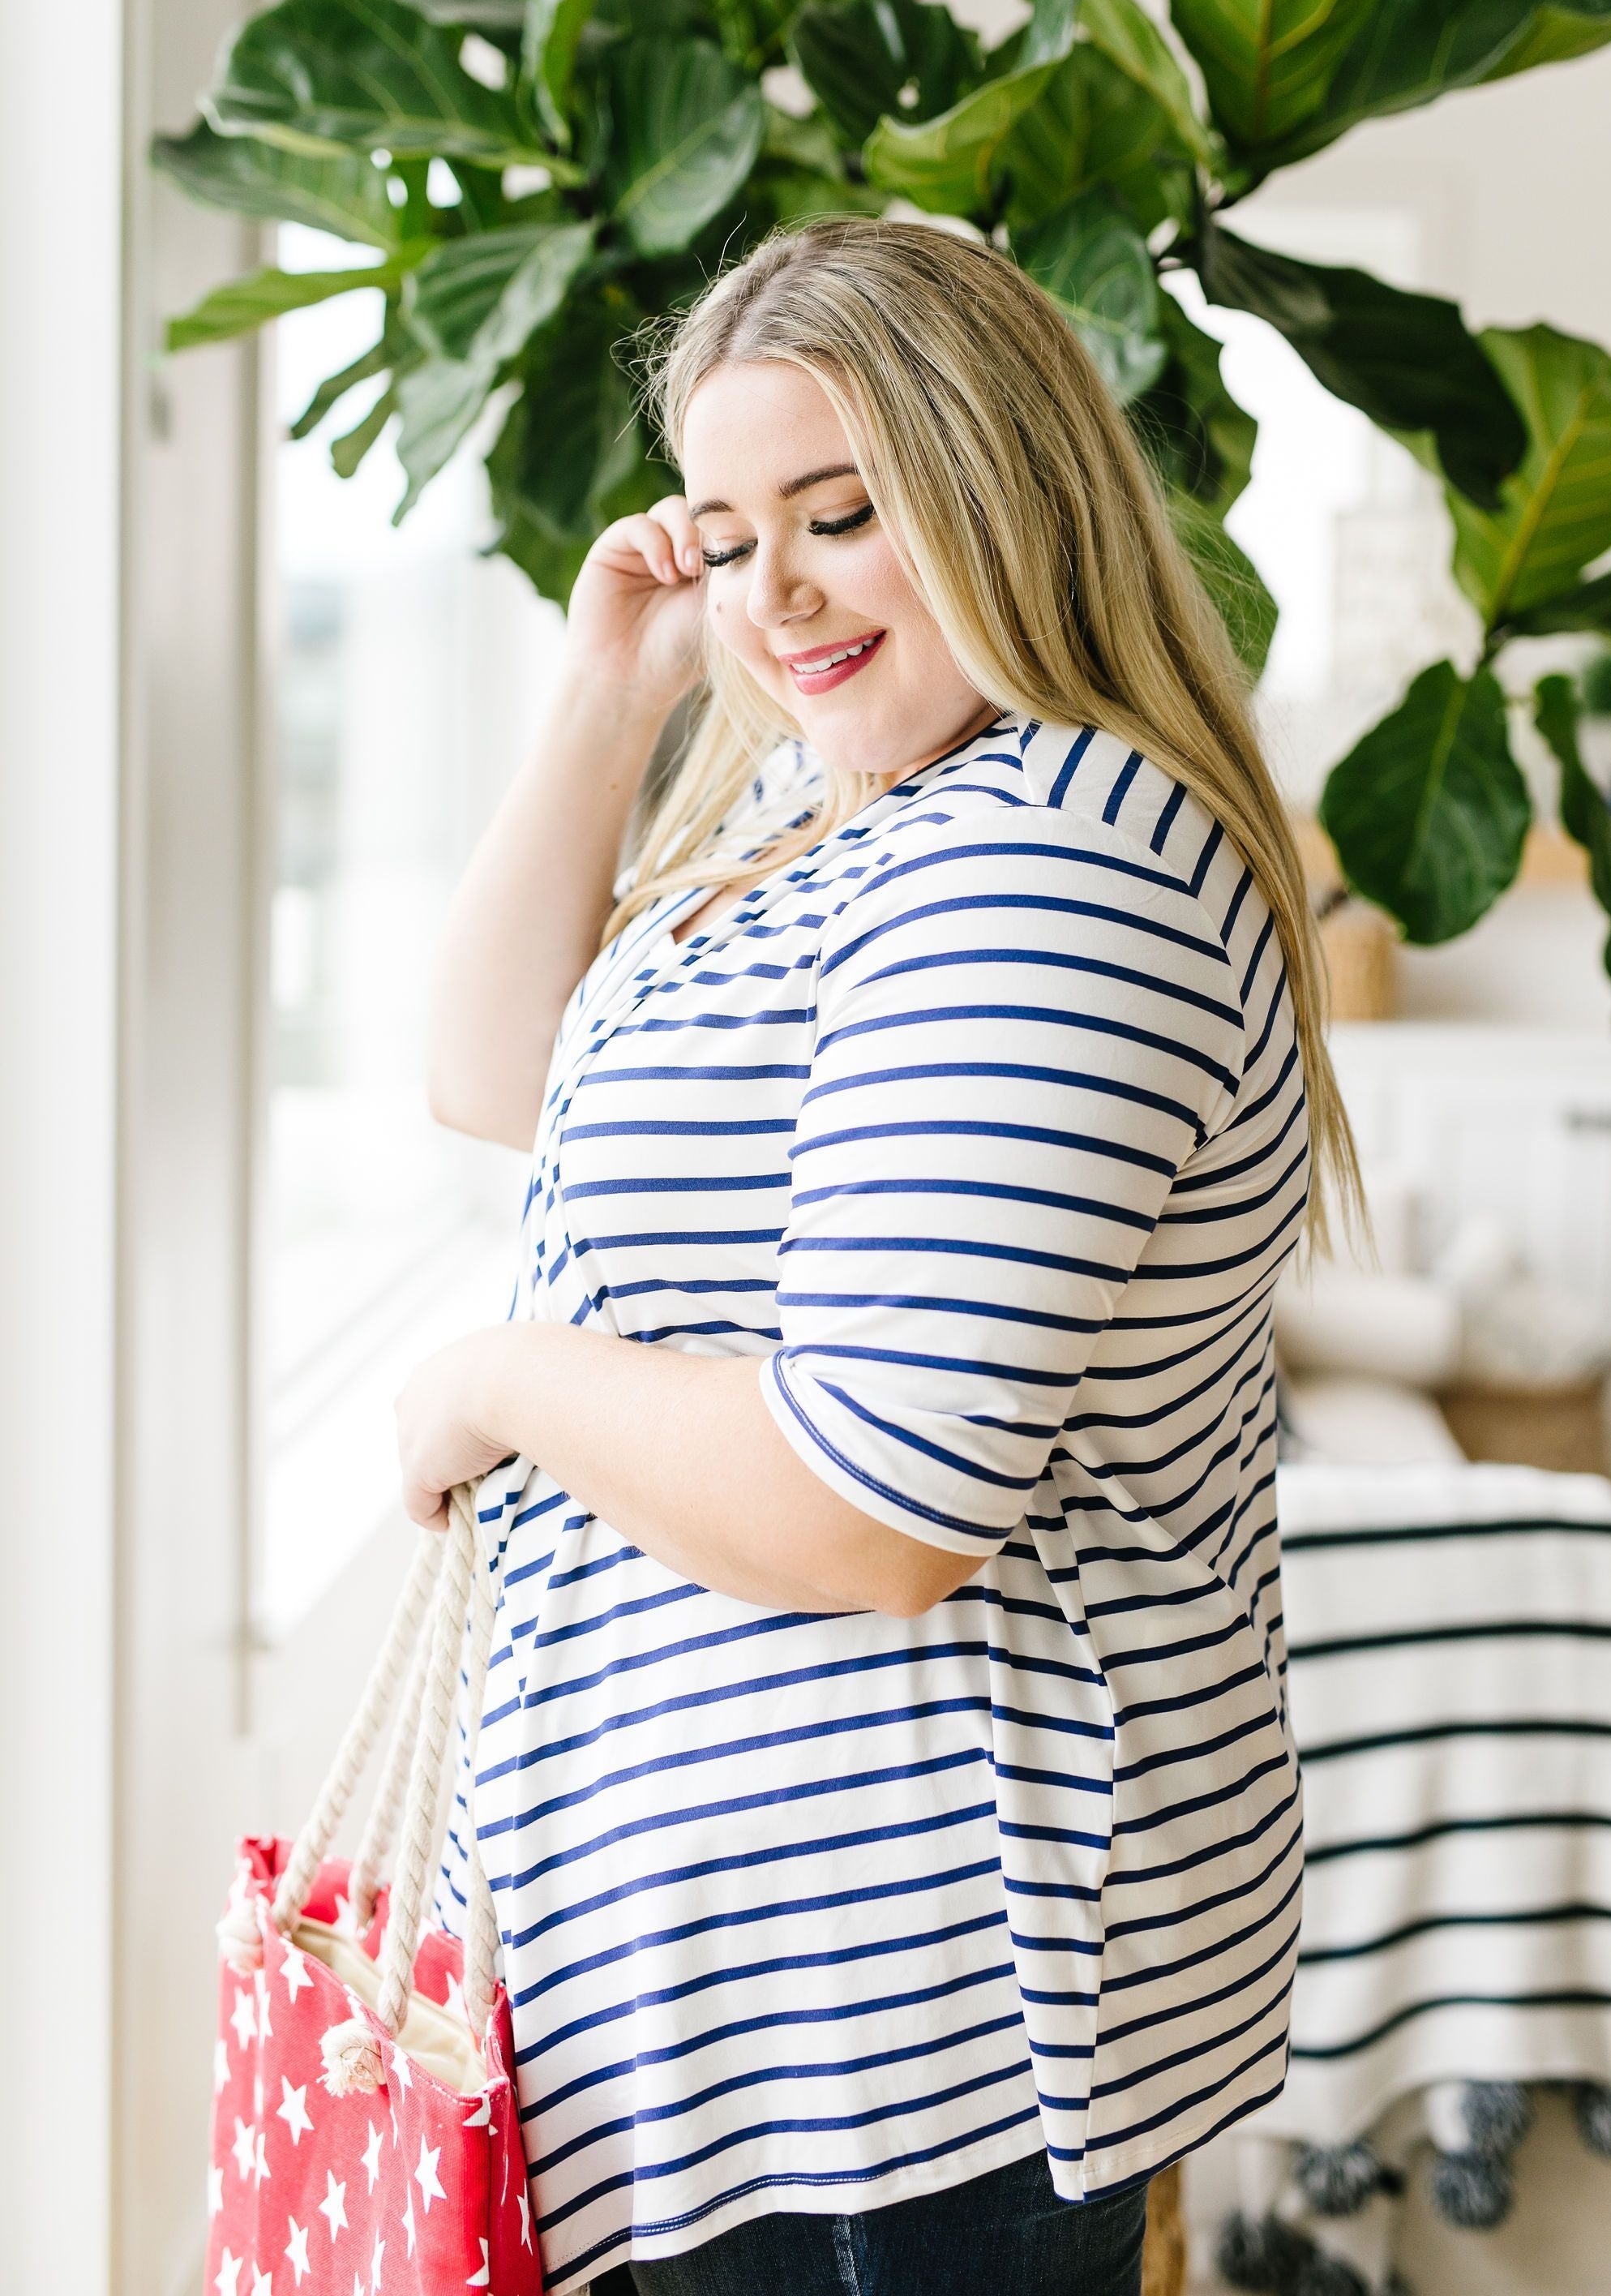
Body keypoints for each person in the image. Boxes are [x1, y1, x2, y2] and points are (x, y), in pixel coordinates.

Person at [394, 215, 1359, 2296]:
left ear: (1002, 486)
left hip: (893, 2052)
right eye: (732, 534)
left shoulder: (1056, 850)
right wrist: (607, 686)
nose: (779, 590)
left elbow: (872, 1504)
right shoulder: (845, 819)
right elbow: (492, 1076)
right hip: (726, 2037)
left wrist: (492, 1380)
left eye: (841, 513)